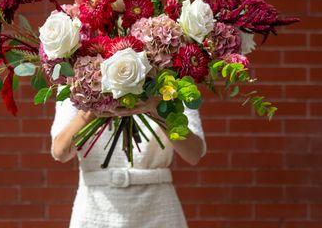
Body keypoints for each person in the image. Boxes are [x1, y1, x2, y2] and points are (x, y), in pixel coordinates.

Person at [51, 96, 206, 228]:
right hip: (95, 207)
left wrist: (158, 109)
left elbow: (194, 153)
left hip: (157, 207)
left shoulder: (173, 78)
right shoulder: (73, 77)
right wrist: (93, 107)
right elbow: (60, 152)